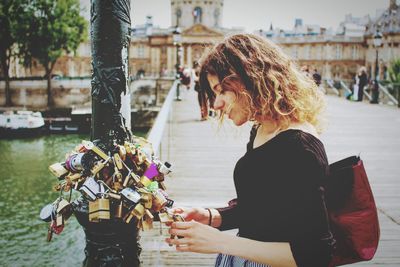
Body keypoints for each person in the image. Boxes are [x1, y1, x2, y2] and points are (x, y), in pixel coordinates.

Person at [166, 34, 335, 267]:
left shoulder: (300, 147)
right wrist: (213, 216)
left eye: (220, 91)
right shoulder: (262, 128)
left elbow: (316, 253)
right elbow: (262, 207)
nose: (216, 104)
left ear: (248, 79)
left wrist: (221, 243)